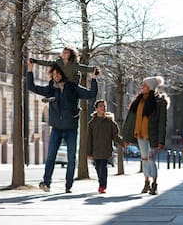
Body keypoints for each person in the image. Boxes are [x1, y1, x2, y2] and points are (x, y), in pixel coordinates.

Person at [27, 58, 98, 193]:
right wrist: (30, 70)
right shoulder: (51, 89)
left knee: (71, 158)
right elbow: (32, 87)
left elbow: (91, 94)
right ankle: (46, 183)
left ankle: (68, 185)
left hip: (71, 128)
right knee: (50, 157)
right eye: (53, 75)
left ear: (63, 74)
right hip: (56, 128)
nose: (56, 76)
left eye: (58, 74)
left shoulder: (72, 88)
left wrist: (94, 78)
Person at [122, 76, 168, 195]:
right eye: (142, 85)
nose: (142, 87)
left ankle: (154, 184)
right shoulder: (138, 101)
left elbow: (162, 123)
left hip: (152, 136)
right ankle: (146, 182)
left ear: (151, 87)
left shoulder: (159, 102)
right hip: (140, 135)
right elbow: (130, 120)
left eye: (144, 85)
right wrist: (126, 138)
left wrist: (161, 141)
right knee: (144, 160)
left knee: (151, 159)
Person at [87, 99, 122, 194]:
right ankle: (101, 183)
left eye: (104, 106)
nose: (103, 108)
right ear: (97, 109)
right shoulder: (91, 123)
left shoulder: (110, 122)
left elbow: (115, 136)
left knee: (103, 167)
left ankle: (102, 186)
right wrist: (89, 153)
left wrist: (123, 142)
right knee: (98, 168)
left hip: (106, 150)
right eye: (101, 106)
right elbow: (89, 139)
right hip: (96, 150)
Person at [29, 46, 96, 85]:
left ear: (71, 55)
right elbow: (47, 63)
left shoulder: (74, 64)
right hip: (63, 83)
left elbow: (84, 68)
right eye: (63, 52)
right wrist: (35, 61)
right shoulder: (58, 62)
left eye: (66, 53)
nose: (64, 54)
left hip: (72, 84)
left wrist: (94, 69)